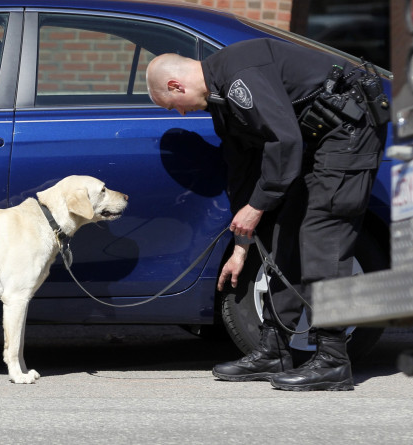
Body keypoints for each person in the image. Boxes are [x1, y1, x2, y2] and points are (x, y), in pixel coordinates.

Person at [146, 38, 387, 391]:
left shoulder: (239, 77)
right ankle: (274, 349)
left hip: (349, 133)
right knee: (284, 232)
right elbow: (243, 175)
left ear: (175, 86)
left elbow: (285, 140)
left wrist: (257, 206)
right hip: (317, 139)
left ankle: (334, 360)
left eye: (173, 106)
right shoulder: (222, 102)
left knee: (323, 236)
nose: (180, 112)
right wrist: (242, 245)